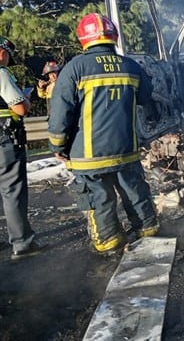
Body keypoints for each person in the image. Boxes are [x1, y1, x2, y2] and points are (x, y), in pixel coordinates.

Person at [48, 13, 159, 254]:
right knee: (134, 191)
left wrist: (58, 146)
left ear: (83, 39)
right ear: (113, 37)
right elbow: (146, 97)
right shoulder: (131, 66)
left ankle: (109, 242)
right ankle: (148, 229)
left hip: (89, 156)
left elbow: (60, 113)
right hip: (126, 150)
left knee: (99, 198)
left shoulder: (74, 68)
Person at [0, 36, 46, 259]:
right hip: (4, 140)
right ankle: (22, 243)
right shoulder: (1, 73)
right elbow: (19, 109)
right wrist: (26, 98)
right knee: (12, 190)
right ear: (2, 53)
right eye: (8, 54)